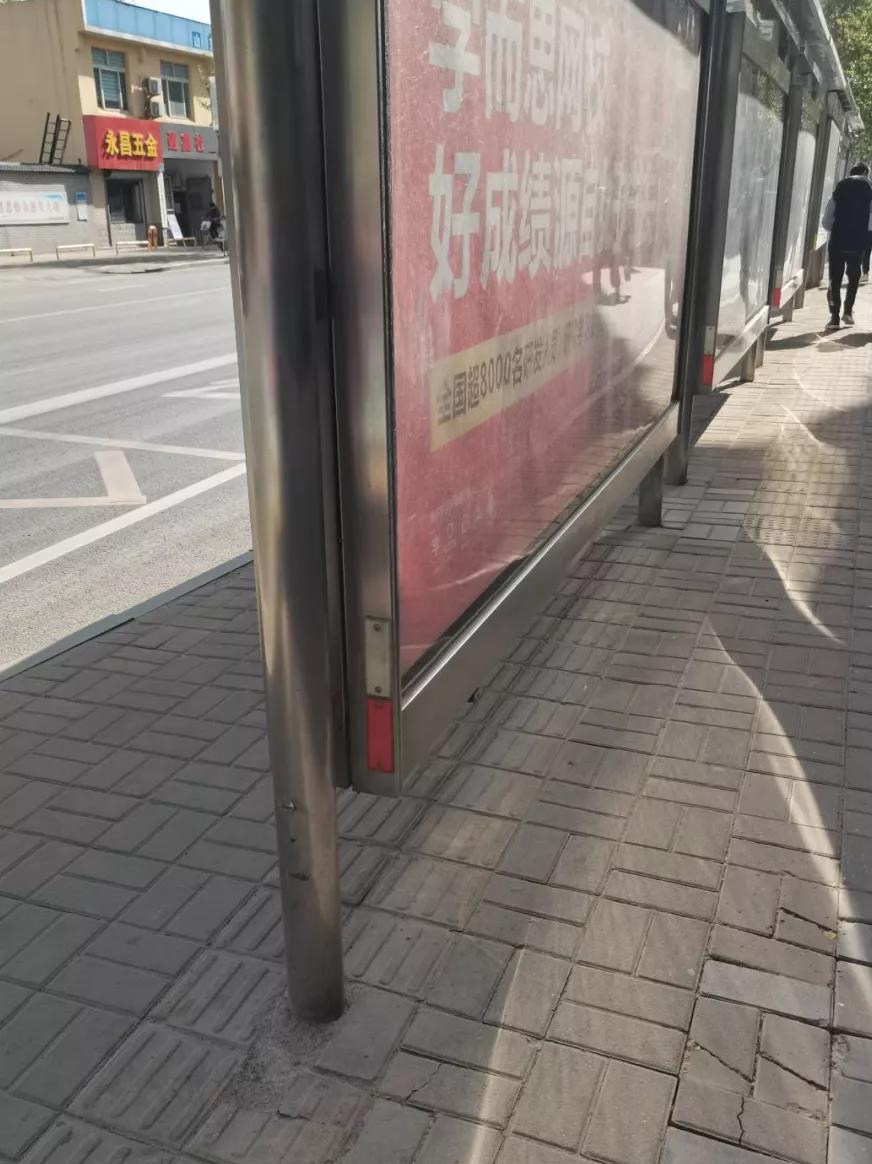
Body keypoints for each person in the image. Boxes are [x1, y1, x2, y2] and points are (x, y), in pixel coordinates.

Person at [823, 163, 872, 328]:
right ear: (865, 174)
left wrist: (838, 229)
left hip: (837, 242)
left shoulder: (840, 188)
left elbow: (826, 220)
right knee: (853, 278)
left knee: (835, 280)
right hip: (857, 244)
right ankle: (848, 312)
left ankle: (834, 318)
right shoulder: (869, 191)